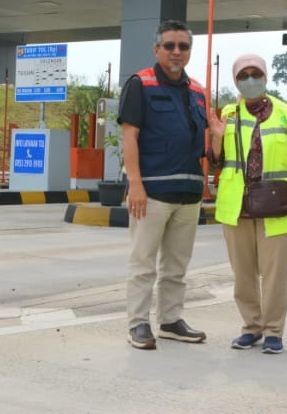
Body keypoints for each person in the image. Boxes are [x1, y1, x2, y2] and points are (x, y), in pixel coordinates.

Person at [118, 19, 223, 350]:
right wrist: (134, 183)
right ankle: (137, 323)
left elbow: (203, 145)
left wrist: (218, 140)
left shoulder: (197, 92)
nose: (177, 52)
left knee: (177, 266)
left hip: (189, 194)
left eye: (183, 46)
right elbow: (129, 137)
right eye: (170, 46)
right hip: (151, 193)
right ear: (157, 50)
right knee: (143, 263)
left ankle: (170, 320)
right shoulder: (141, 84)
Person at [209, 53, 287, 354]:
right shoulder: (227, 116)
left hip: (279, 206)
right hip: (237, 207)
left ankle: (273, 332)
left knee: (275, 274)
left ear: (266, 78)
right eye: (244, 75)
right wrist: (217, 138)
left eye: (256, 74)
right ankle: (251, 328)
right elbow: (216, 161)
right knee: (243, 275)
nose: (250, 80)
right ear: (236, 81)